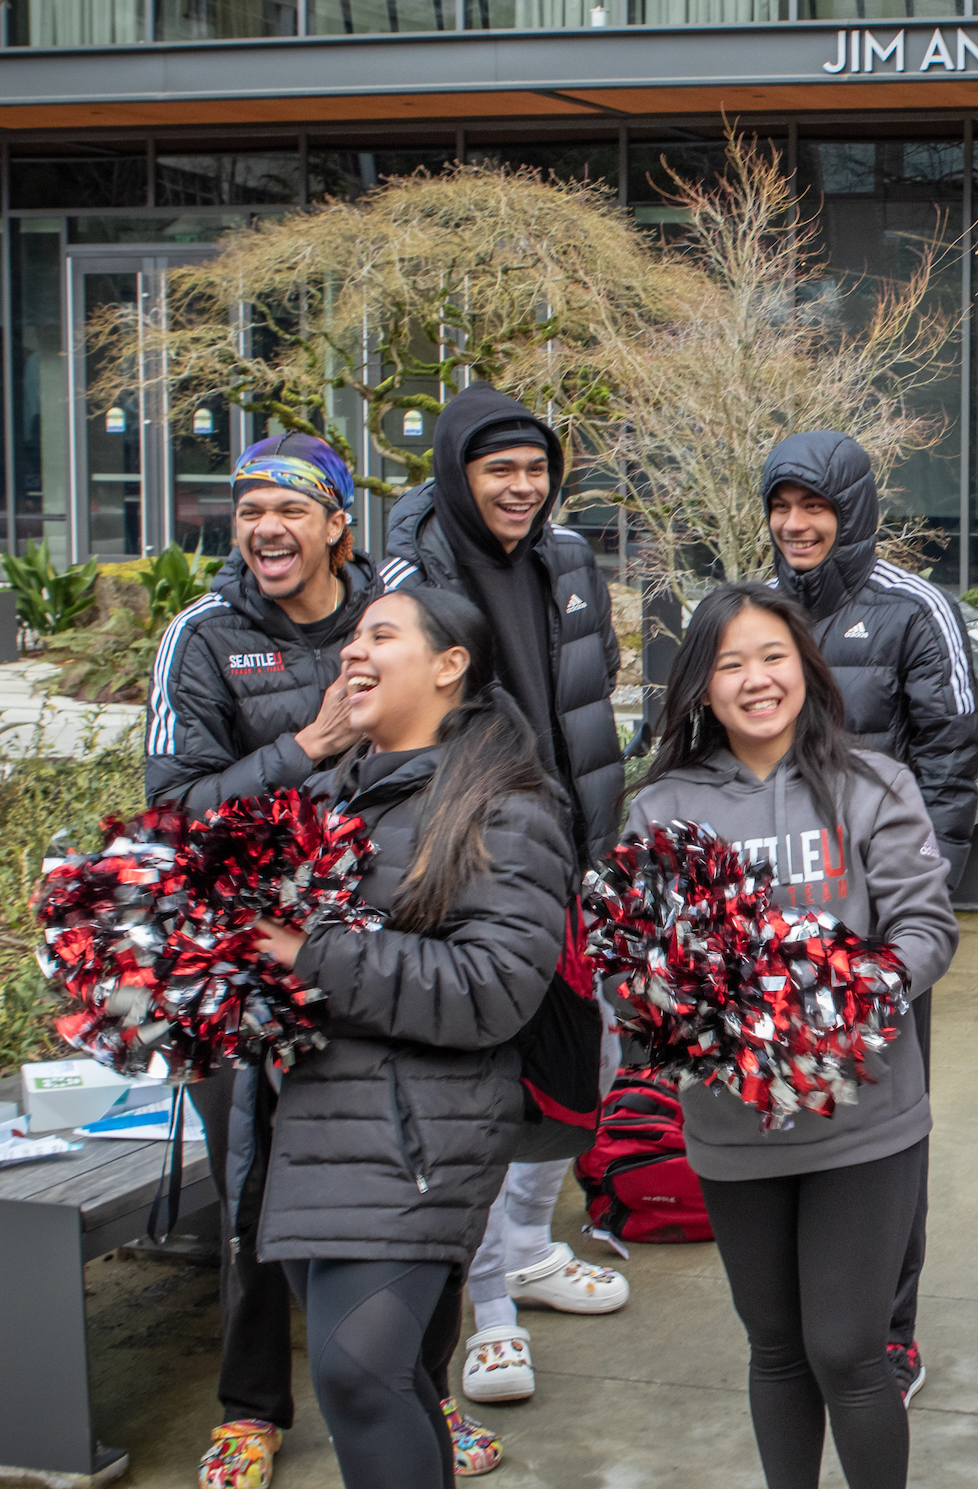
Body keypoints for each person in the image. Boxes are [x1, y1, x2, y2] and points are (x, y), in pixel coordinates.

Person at [625, 582, 959, 1489]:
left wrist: (844, 999)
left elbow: (927, 929)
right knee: (775, 1346)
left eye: (772, 656)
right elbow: (638, 963)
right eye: (729, 664)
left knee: (848, 1348)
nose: (755, 679)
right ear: (700, 687)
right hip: (735, 1131)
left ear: (806, 668)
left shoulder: (870, 783)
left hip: (866, 1121)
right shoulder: (663, 810)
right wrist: (667, 1004)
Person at [248, 588, 573, 1489]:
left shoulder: (503, 805)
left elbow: (497, 988)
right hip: (323, 1129)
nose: (353, 651)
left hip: (421, 1134)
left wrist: (308, 955)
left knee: (361, 1375)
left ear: (449, 663)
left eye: (379, 635)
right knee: (383, 1383)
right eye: (350, 637)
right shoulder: (333, 797)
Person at [382, 382, 629, 1404]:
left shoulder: (569, 559)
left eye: (536, 469)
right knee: (485, 1087)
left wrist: (601, 838)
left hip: (571, 853)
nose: (522, 488)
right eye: (500, 470)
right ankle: (488, 1314)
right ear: (457, 472)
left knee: (581, 1064)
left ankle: (528, 1243)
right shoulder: (412, 572)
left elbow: (593, 691)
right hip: (468, 861)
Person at [148, 434, 386, 1489]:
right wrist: (308, 747)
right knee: (251, 1180)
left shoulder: (397, 623)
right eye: (249, 510)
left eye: (288, 508)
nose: (264, 529)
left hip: (373, 948)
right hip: (238, 962)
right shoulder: (202, 636)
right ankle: (251, 1408)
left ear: (336, 522)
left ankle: (417, 1389)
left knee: (394, 1180)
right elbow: (170, 811)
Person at [759, 428, 977, 1406]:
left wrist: (904, 917)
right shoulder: (754, 612)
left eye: (815, 508)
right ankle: (809, 1329)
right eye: (782, 506)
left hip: (877, 933)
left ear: (853, 510)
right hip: (774, 927)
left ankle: (888, 1332)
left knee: (886, 1139)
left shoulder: (914, 611)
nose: (796, 526)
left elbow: (949, 761)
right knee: (785, 1121)